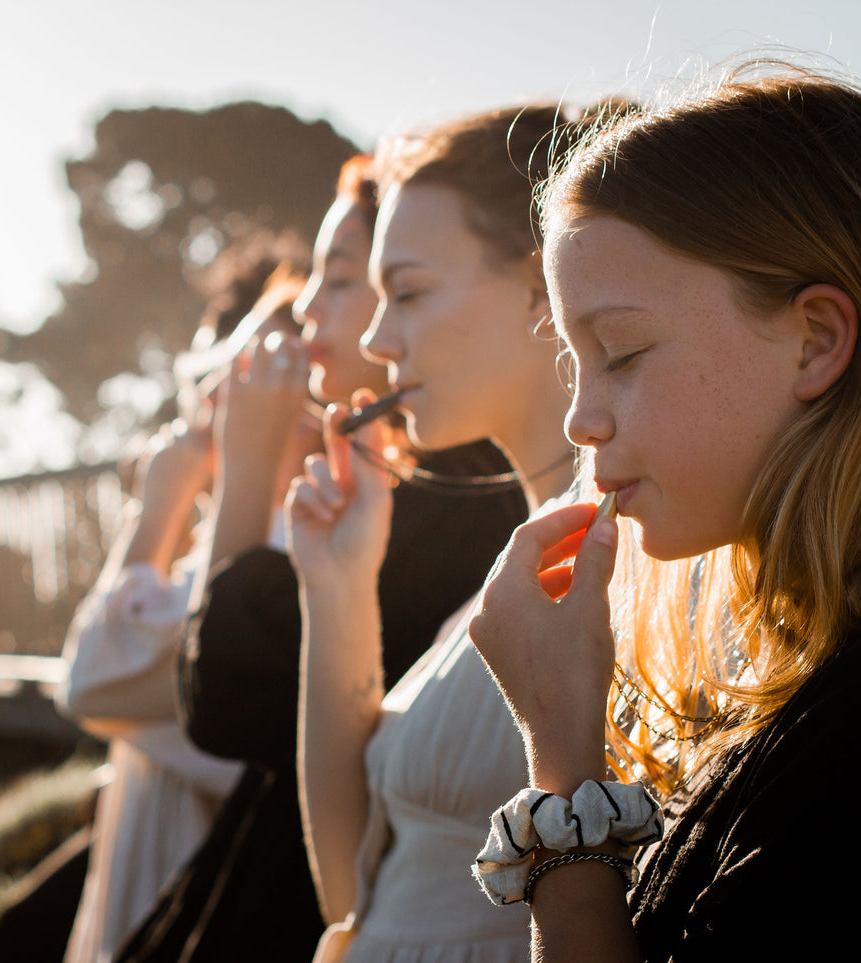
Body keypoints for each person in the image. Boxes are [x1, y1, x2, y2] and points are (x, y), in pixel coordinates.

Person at [466, 64, 861, 961]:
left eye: (620, 350)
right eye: (574, 361)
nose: (580, 416)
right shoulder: (857, 670)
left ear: (815, 340)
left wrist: (563, 762)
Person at [118, 156, 527, 962]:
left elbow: (223, 696)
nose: (305, 309)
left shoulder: (461, 499)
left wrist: (243, 469)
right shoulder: (394, 487)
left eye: (347, 281)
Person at [286, 104, 589, 961]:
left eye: (407, 293)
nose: (377, 340)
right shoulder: (517, 557)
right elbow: (349, 882)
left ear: (543, 287)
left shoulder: (614, 550)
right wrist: (336, 583)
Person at [52, 264, 313, 963]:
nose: (204, 394)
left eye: (247, 368)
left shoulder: (286, 550)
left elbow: (90, 679)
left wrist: (158, 506)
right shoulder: (240, 544)